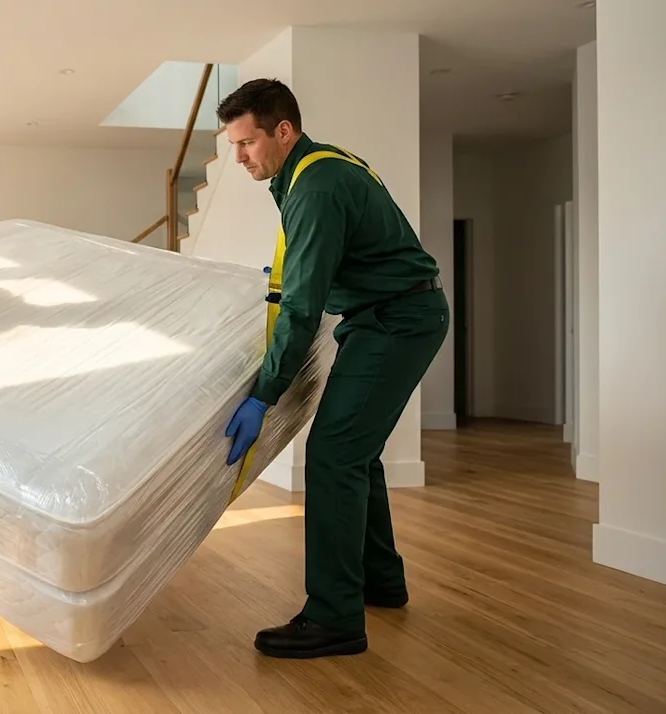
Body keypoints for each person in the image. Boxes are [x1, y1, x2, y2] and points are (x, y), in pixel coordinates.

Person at [217, 79, 448, 659]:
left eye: (246, 143)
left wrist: (263, 393)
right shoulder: (313, 169)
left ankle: (334, 618)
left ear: (283, 131)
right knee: (355, 453)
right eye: (234, 145)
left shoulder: (315, 188)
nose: (239, 157)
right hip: (387, 318)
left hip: (396, 321)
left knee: (333, 452)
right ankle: (380, 582)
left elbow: (301, 303)